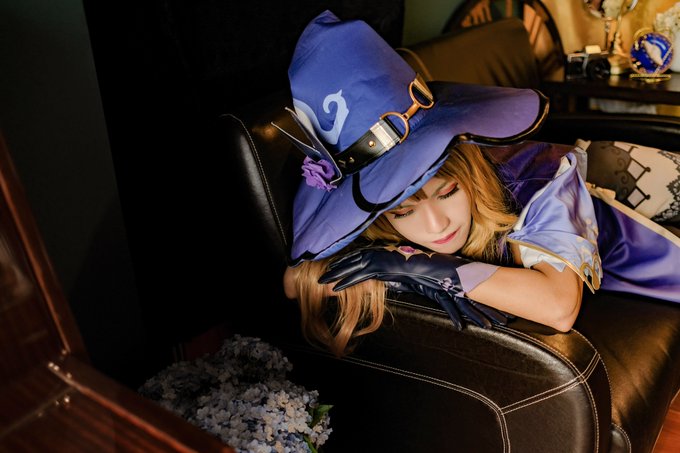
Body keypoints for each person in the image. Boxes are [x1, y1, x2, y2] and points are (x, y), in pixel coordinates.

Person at [277, 11, 680, 357]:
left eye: (448, 191)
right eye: (403, 211)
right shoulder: (373, 211)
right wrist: (396, 264)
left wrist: (422, 266)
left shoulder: (541, 180)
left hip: (630, 183)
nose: (436, 225)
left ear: (466, 173)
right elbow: (295, 283)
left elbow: (558, 307)